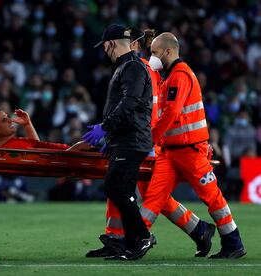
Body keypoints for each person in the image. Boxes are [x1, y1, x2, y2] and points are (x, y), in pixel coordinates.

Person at [86, 28, 215, 259]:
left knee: (146, 194)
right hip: (146, 139)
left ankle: (190, 230)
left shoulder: (143, 70)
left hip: (148, 141)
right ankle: (196, 230)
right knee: (137, 192)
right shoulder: (147, 70)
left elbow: (153, 109)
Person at [140, 32, 246, 259]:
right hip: (171, 151)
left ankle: (233, 243)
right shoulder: (170, 76)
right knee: (153, 196)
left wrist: (151, 137)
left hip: (191, 151)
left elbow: (172, 113)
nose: (153, 57)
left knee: (212, 197)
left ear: (168, 51)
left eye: (155, 52)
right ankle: (136, 238)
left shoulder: (180, 75)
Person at [82, 24, 155, 261]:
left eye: (105, 47)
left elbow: (130, 102)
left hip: (131, 139)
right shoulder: (129, 66)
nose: (105, 52)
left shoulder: (131, 67)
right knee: (122, 189)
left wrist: (105, 127)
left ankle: (142, 237)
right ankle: (132, 242)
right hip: (127, 139)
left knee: (115, 187)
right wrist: (109, 136)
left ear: (111, 44)